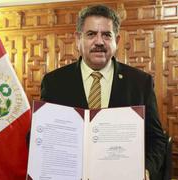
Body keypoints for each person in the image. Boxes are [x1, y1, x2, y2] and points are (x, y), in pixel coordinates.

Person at [40, 4, 167, 180]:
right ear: (78, 39)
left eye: (107, 35)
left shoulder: (140, 82)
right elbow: (44, 136)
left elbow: (156, 139)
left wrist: (146, 171)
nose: (99, 42)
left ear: (118, 40)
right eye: (91, 34)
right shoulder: (54, 82)